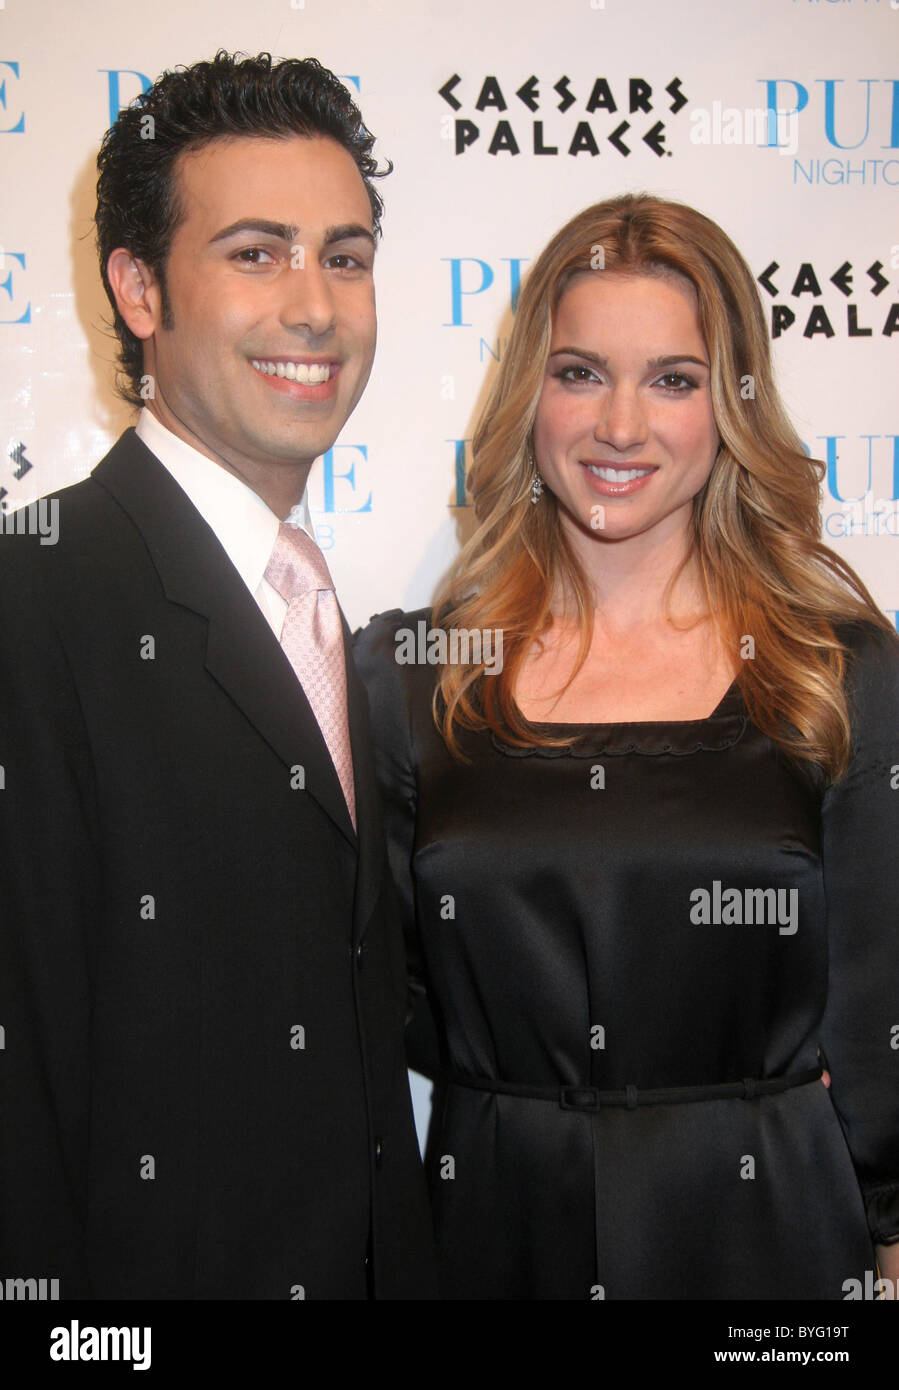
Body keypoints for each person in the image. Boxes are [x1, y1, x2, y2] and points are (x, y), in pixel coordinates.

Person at [356, 192, 899, 1300]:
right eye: (578, 371)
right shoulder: (414, 676)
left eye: (671, 379)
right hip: (491, 1235)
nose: (618, 425)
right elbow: (378, 1000)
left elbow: (883, 1031)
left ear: (731, 404)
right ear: (529, 393)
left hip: (773, 1249)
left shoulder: (833, 674)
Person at [0, 51, 435, 1300]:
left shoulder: (312, 601)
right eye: (255, 252)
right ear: (139, 288)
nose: (315, 307)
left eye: (342, 257)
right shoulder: (35, 596)